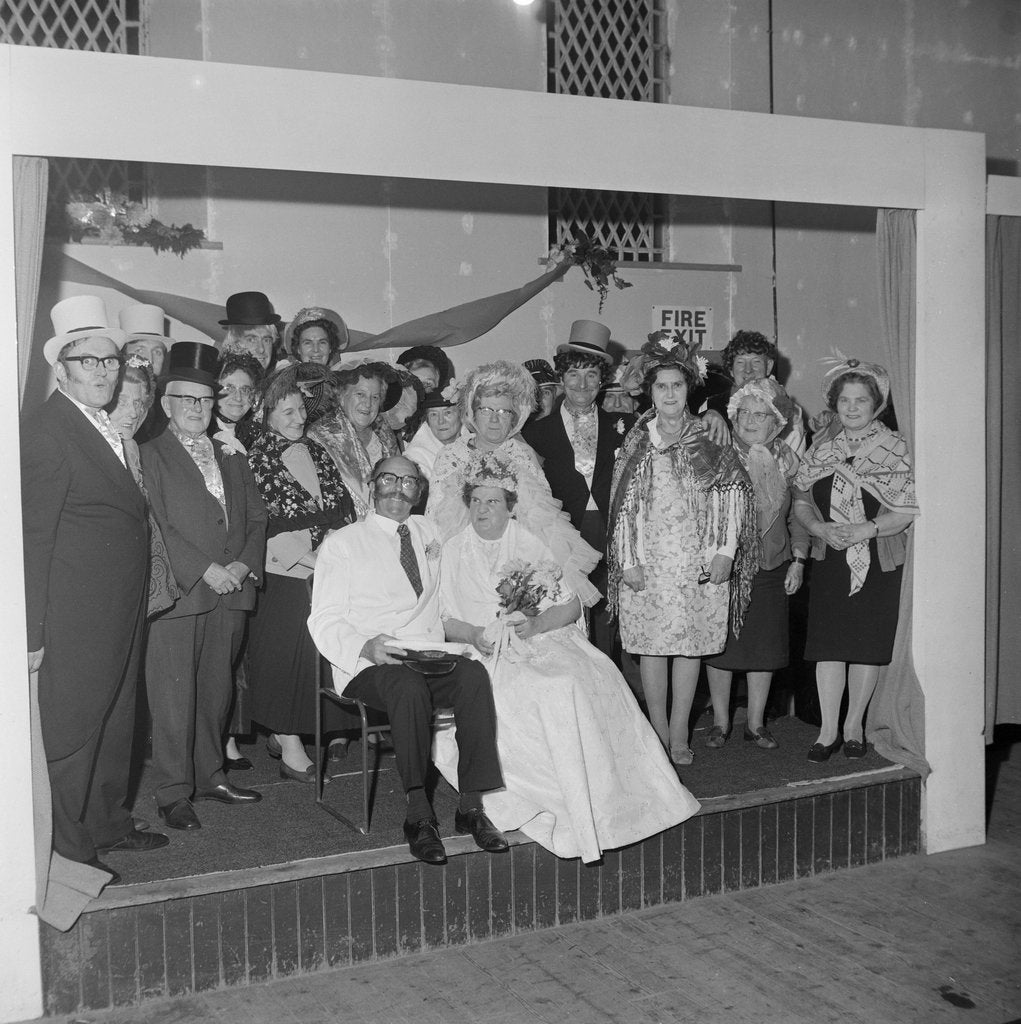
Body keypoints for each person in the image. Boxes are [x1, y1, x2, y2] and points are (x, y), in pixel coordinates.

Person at [434, 457, 700, 862]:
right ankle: (553, 801)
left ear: (510, 506)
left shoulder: (529, 542)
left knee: (589, 674)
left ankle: (607, 800)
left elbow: (571, 606)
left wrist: (537, 624)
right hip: (482, 650)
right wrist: (475, 634)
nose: (483, 509)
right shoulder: (454, 550)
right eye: (476, 501)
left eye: (493, 501)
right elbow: (445, 619)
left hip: (543, 636)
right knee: (544, 689)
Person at [22, 295, 167, 881]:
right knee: (75, 726)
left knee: (116, 719)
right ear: (61, 368)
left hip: (119, 608)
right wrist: (32, 633)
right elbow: (32, 541)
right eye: (90, 362)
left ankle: (108, 820)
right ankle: (65, 846)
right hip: (74, 615)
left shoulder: (100, 424)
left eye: (111, 361)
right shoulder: (48, 431)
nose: (104, 372)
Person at [308, 455, 508, 865]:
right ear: (371, 484)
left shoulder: (429, 531)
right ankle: (419, 814)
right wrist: (366, 646)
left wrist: (469, 634)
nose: (399, 489)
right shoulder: (343, 543)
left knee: (472, 676)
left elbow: (443, 601)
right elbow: (324, 618)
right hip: (369, 663)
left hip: (426, 654)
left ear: (420, 492)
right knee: (406, 686)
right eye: (389, 479)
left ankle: (470, 807)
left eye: (409, 483)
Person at [607, 333, 758, 766]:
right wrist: (628, 560)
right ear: (650, 391)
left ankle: (679, 734)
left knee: (690, 645)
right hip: (650, 559)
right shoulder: (638, 437)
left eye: (676, 385)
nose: (669, 393)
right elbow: (623, 505)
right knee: (652, 647)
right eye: (660, 386)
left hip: (697, 559)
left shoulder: (709, 435)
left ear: (688, 388)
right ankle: (656, 732)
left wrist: (725, 551)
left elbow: (730, 495)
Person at [141, 342, 267, 831]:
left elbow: (257, 515)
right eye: (186, 400)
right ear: (165, 404)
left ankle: (210, 775)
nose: (197, 409)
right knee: (173, 696)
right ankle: (173, 791)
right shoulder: (148, 454)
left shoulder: (230, 453)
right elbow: (156, 523)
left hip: (232, 590)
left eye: (205, 400)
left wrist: (242, 565)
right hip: (181, 591)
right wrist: (203, 568)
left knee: (217, 691)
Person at [793, 360, 919, 762]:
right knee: (829, 646)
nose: (851, 408)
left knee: (865, 646)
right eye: (844, 400)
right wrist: (818, 528)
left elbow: (906, 510)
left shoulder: (897, 447)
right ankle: (828, 730)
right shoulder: (822, 449)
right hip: (830, 557)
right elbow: (800, 501)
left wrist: (868, 529)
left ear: (877, 404)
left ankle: (854, 727)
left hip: (876, 559)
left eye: (860, 400)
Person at [246, 364, 357, 781]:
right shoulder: (255, 457)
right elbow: (260, 520)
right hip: (283, 569)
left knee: (322, 647)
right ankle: (289, 742)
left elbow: (340, 506)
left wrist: (335, 551)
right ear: (267, 415)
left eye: (300, 410)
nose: (298, 419)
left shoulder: (316, 450)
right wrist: (310, 559)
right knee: (286, 651)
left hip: (324, 563)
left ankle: (297, 731)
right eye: (287, 412)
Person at [427, 360, 601, 607]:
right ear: (472, 413)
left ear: (515, 417)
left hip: (516, 560)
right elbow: (436, 518)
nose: (495, 420)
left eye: (504, 412)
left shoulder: (522, 453)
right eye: (487, 411)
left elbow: (545, 518)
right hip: (463, 561)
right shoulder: (450, 455)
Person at [703, 378, 810, 750]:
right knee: (720, 645)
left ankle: (755, 723)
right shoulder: (716, 452)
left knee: (764, 648)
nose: (749, 420)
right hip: (724, 567)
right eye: (743, 412)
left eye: (759, 414)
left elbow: (800, 514)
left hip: (772, 566)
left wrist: (798, 559)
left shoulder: (788, 460)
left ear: (776, 422)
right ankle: (719, 723)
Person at [521, 321, 634, 656]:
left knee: (610, 617)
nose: (582, 384)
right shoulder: (537, 432)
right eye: (573, 374)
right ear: (561, 378)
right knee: (569, 614)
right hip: (564, 532)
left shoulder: (625, 427)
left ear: (603, 380)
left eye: (591, 375)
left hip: (611, 532)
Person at [308, 361, 401, 517]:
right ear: (342, 396)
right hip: (343, 526)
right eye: (360, 394)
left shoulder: (386, 434)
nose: (368, 403)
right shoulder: (320, 436)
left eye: (375, 397)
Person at [702, 330, 806, 458]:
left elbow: (792, 464)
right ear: (730, 369)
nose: (748, 370)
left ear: (768, 366)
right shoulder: (710, 405)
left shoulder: (791, 414)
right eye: (740, 362)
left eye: (756, 362)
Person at [403, 378, 464, 480]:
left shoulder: (474, 442)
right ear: (427, 421)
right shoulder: (416, 456)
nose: (441, 421)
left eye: (447, 413)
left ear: (461, 415)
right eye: (434, 414)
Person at [218, 291, 283, 372]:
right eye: (251, 340)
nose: (261, 349)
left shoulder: (277, 381)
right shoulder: (222, 382)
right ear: (233, 345)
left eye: (266, 340)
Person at [212, 351, 263, 455]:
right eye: (229, 388)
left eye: (245, 390)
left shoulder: (254, 433)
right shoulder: (205, 432)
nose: (238, 398)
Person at [283, 307, 350, 367]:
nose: (316, 350)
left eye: (322, 342)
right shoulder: (284, 379)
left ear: (330, 348)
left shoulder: (349, 378)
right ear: (298, 349)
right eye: (308, 343)